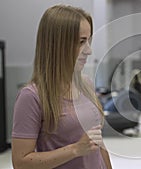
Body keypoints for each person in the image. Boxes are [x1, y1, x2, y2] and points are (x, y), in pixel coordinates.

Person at [11, 4, 112, 169]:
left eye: (89, 41)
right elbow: (20, 162)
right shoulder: (31, 96)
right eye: (81, 42)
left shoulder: (86, 84)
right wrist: (75, 149)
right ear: (59, 44)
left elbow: (98, 145)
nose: (89, 51)